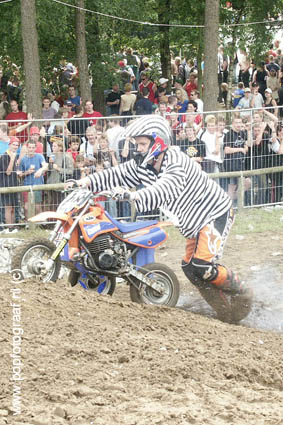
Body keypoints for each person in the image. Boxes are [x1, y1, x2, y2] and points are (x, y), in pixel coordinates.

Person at [69, 115, 252, 321]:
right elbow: (117, 173)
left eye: (142, 144)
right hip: (193, 221)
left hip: (214, 213)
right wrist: (85, 182)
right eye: (136, 144)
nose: (138, 148)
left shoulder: (176, 161)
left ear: (158, 143)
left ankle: (243, 293)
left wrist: (133, 195)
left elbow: (165, 189)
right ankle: (223, 311)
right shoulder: (144, 165)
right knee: (190, 269)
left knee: (202, 265)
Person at [18, 139, 48, 218]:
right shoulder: (23, 159)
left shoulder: (39, 156)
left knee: (37, 206)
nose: (31, 149)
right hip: (27, 185)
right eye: (29, 147)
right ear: (27, 148)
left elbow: (45, 166)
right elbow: (19, 174)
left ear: (35, 148)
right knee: (26, 207)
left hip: (38, 184)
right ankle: (28, 223)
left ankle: (40, 223)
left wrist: (40, 170)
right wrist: (27, 172)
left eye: (33, 147)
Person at [0, 136, 20, 229]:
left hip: (14, 183)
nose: (15, 147)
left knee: (13, 207)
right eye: (14, 144)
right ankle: (9, 227)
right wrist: (12, 159)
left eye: (17, 145)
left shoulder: (14, 155)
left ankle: (12, 226)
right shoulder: (5, 156)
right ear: (9, 145)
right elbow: (8, 172)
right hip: (7, 184)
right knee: (8, 207)